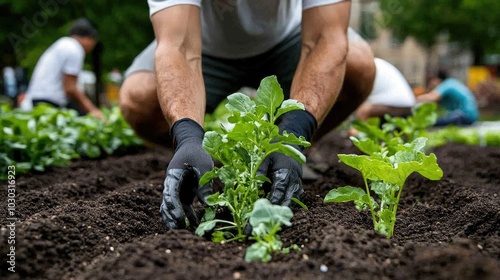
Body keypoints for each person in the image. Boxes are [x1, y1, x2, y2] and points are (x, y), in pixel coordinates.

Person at [120, 1, 376, 229]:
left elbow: (325, 38)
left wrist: (293, 134)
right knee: (138, 97)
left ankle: (290, 154)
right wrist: (187, 136)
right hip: (204, 45)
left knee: (358, 66)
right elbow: (180, 47)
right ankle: (211, 162)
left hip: (290, 40)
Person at [23, 18, 102, 118]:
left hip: (38, 99)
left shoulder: (63, 44)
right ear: (89, 38)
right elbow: (70, 88)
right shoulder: (75, 49)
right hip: (49, 102)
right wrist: (93, 110)